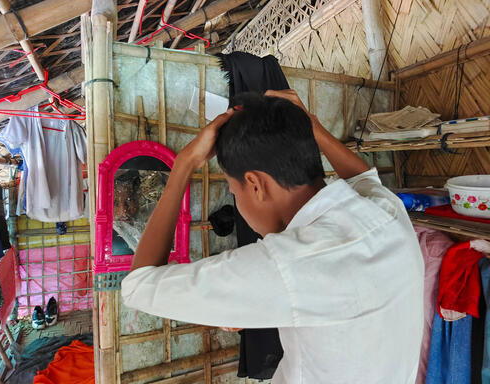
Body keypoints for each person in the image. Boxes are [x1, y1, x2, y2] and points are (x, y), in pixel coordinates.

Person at [121, 90, 424, 384]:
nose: (235, 198)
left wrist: (182, 166)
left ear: (255, 184)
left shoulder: (288, 263)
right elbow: (363, 178)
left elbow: (138, 286)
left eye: (232, 189)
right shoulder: (386, 211)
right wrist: (310, 125)